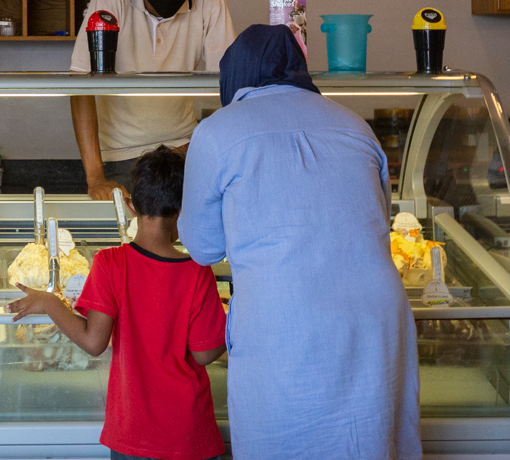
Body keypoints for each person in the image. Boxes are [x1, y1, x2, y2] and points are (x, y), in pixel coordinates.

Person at [178, 25, 422, 460]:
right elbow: (375, 222)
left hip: (285, 318)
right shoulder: (355, 125)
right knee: (367, 439)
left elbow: (202, 246)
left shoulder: (217, 131)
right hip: (374, 317)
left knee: (284, 438)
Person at [9, 146, 228, 460]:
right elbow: (205, 353)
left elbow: (94, 341)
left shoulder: (110, 262)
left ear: (129, 206)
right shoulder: (198, 272)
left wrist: (50, 302)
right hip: (188, 433)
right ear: (184, 209)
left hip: (133, 432)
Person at [70, 0, 235, 200]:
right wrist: (96, 177)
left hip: (183, 152)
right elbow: (81, 86)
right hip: (119, 159)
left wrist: (207, 148)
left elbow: (229, 81)